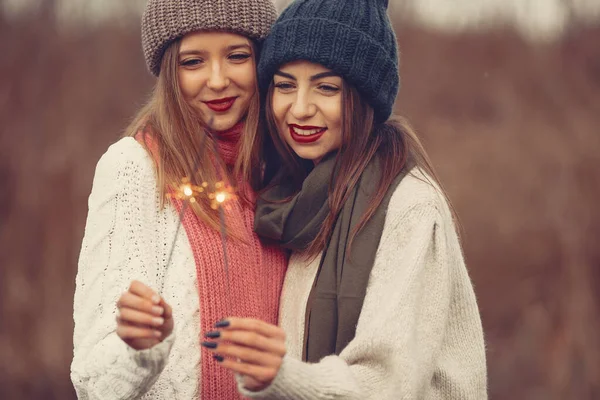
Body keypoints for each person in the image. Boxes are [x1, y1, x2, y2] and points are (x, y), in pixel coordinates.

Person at [200, 0, 488, 398]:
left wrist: (280, 376)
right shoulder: (296, 201)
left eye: (327, 87)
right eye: (284, 85)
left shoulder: (409, 208)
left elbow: (388, 384)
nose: (299, 109)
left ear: (363, 97)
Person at [71, 1, 287, 399]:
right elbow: (93, 383)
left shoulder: (281, 174)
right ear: (170, 71)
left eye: (237, 56)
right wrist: (141, 349)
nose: (218, 80)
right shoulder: (134, 168)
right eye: (193, 62)